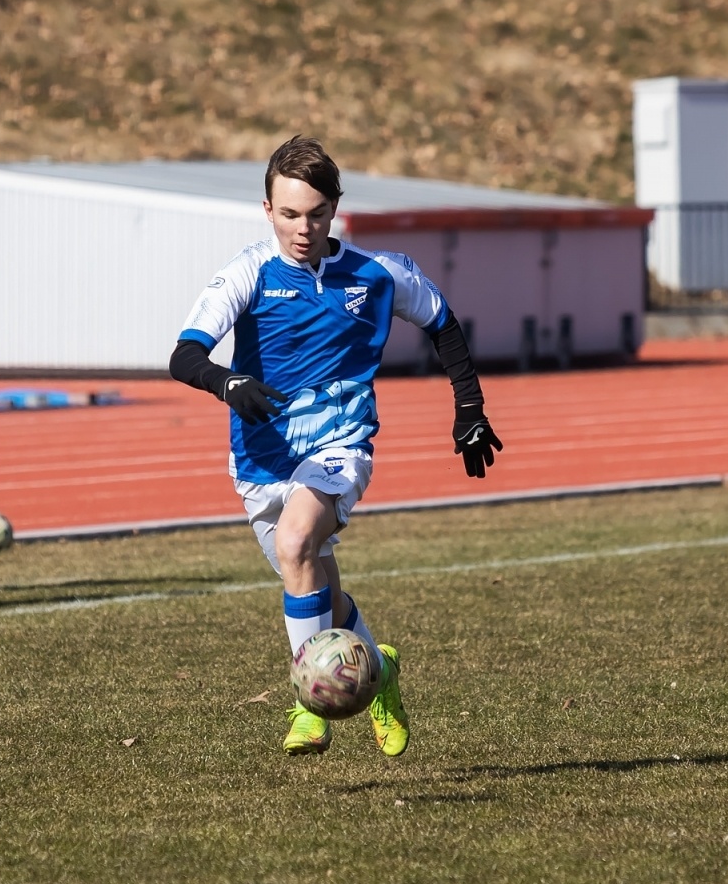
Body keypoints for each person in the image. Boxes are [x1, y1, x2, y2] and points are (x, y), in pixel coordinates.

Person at [169, 136, 503, 756]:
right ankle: (381, 673)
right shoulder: (248, 271)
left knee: (299, 542)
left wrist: (470, 408)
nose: (304, 227)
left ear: (335, 210)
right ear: (267, 210)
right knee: (314, 582)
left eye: (317, 213)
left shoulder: (378, 274)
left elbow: (442, 321)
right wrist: (227, 381)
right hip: (261, 461)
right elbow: (185, 355)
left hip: (339, 446)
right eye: (290, 214)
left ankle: (309, 706)